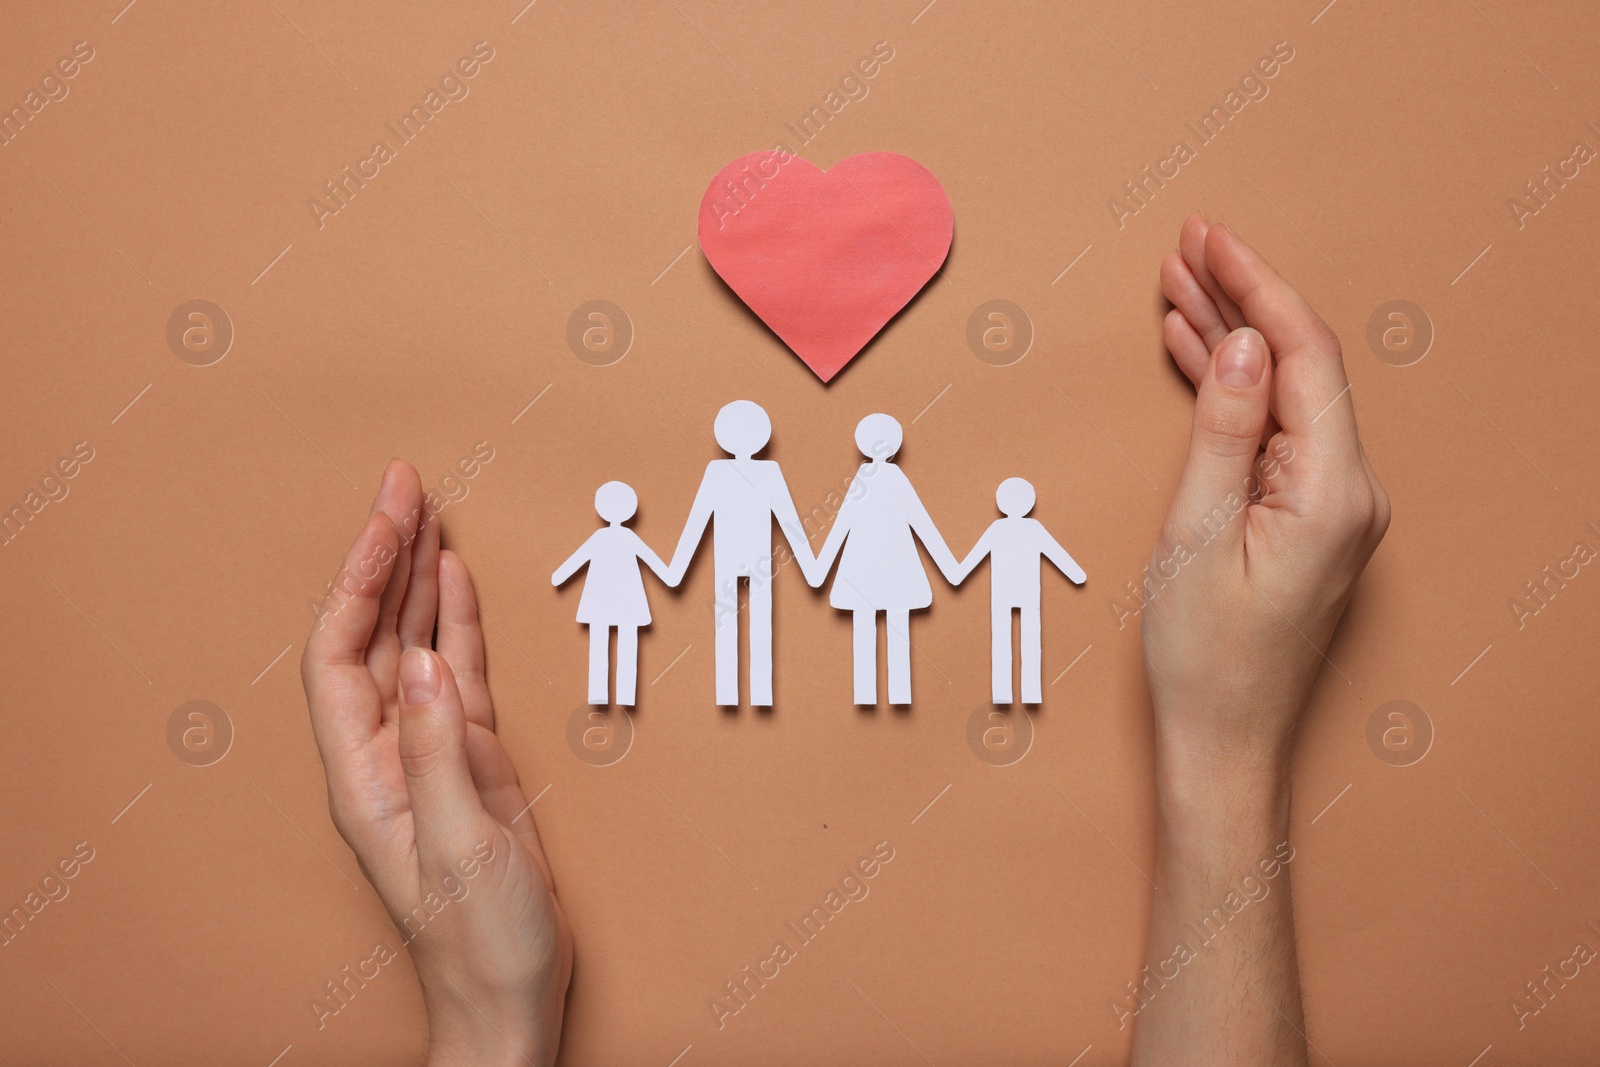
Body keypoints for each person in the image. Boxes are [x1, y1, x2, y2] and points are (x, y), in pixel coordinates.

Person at [300, 213, 1388, 1065]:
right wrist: (1225, 741)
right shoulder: (758, 481)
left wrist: (494, 1024)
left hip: (817, 584)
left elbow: (821, 531)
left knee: (783, 648)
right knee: (747, 650)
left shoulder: (782, 480)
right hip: (723, 595)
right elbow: (722, 542)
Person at [666, 399, 816, 707]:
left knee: (727, 623)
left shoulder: (720, 472)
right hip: (758, 561)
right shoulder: (766, 472)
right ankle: (757, 693)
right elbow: (790, 524)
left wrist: (677, 568)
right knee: (757, 623)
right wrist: (811, 566)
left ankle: (732, 693)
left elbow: (697, 522)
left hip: (736, 559)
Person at [809, 412, 961, 705]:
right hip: (897, 570)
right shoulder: (892, 479)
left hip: (863, 570)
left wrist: (819, 568)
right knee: (897, 627)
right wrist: (950, 567)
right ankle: (897, 693)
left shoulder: (863, 480)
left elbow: (843, 524)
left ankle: (868, 694)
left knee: (865, 628)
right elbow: (921, 523)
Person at [950, 476, 1086, 704]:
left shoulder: (998, 528)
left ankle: (1004, 693)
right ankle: (1029, 692)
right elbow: (1057, 554)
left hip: (1003, 594)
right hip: (1027, 592)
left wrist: (957, 573)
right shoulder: (1033, 528)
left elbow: (973, 558)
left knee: (1002, 641)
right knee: (1030, 640)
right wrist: (1076, 574)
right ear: (1029, 502)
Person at [550, 480, 673, 706]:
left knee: (599, 644)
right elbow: (653, 562)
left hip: (601, 601)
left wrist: (560, 575)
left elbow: (577, 560)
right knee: (628, 643)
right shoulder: (628, 537)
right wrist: (670, 576)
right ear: (631, 509)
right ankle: (625, 694)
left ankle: (600, 692)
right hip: (628, 601)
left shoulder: (601, 537)